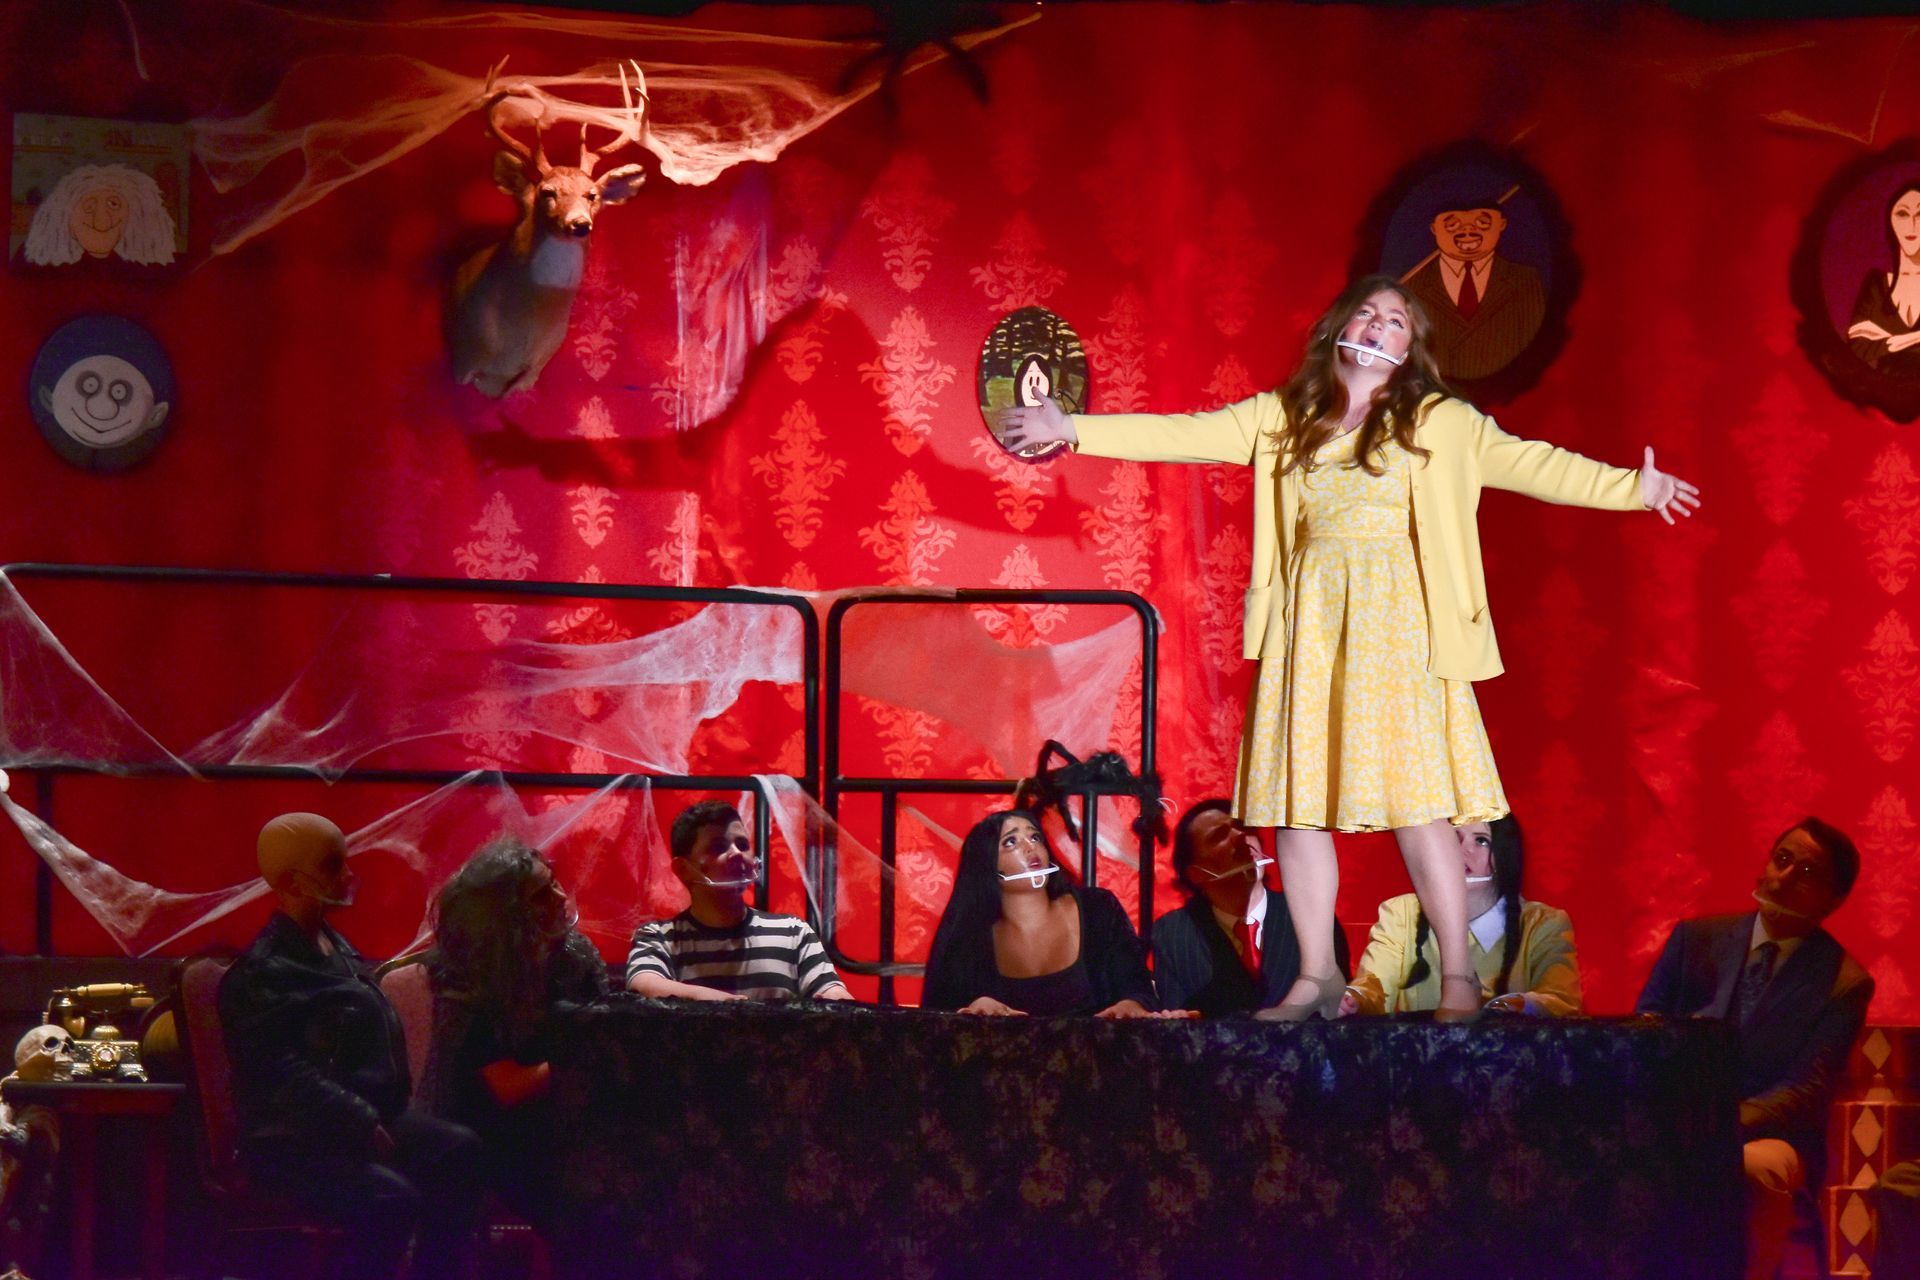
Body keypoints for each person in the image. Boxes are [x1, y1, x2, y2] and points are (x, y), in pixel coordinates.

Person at [1000, 273, 1699, 1022]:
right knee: (1298, 809)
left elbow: (1534, 464)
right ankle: (1318, 975)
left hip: (1402, 632)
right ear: (1337, 331)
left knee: (1420, 802)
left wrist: (1634, 488)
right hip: (1312, 634)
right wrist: (1073, 428)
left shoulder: (1441, 422)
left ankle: (1459, 977)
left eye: (1395, 321)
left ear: (1410, 350)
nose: (1377, 326)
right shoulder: (1283, 418)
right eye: (1365, 314)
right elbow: (1186, 432)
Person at [218, 813, 482, 1280]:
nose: (346, 875)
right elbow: (277, 1073)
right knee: (390, 1201)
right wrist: (355, 1118)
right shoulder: (265, 972)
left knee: (458, 1151)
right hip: (297, 1141)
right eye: (331, 864)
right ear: (292, 881)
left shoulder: (334, 948)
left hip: (361, 1121)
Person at [1634, 817, 1874, 1280]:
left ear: (1834, 900)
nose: (1783, 878)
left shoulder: (1844, 982)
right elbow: (1645, 1035)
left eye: (1806, 874)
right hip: (1675, 1116)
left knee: (1750, 1169)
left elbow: (1805, 1092)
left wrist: (1718, 1122)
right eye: (1781, 860)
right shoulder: (1694, 940)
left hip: (1770, 1136)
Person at [420, 837, 621, 1277]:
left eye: (554, 884)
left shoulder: (573, 956)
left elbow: (600, 1031)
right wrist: (587, 1065)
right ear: (506, 915)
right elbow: (507, 1087)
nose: (561, 898)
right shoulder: (468, 972)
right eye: (539, 895)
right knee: (588, 1199)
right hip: (491, 1133)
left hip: (567, 1117)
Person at [922, 809, 1171, 1017]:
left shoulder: (1098, 909)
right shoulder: (970, 935)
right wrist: (976, 1012)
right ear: (986, 865)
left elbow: (1138, 988)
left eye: (1035, 838)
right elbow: (933, 1022)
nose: (1030, 848)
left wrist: (1130, 1006)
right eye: (1011, 841)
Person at [1339, 814, 1581, 1017]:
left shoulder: (1543, 923)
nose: (1462, 851)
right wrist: (1353, 999)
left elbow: (1561, 1000)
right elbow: (1374, 986)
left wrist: (1517, 1005)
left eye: (1481, 841)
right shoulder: (1400, 913)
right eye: (1453, 838)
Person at [625, 800, 852, 1001]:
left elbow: (831, 991)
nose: (737, 853)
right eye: (718, 847)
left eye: (743, 845)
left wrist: (837, 999)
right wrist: (727, 1005)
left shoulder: (793, 932)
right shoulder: (658, 937)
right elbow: (645, 983)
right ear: (684, 869)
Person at [1151, 799, 1350, 1016]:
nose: (1240, 836)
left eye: (1244, 827)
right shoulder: (1173, 932)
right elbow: (1176, 1018)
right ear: (1196, 874)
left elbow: (1338, 1007)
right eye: (1219, 836)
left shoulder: (1313, 916)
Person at [1399, 197, 1546, 381]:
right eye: (1452, 224)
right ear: (1434, 229)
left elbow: (1536, 348)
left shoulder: (1524, 280)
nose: (1467, 231)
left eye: (1482, 222)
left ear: (1501, 224)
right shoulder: (1412, 284)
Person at [1846, 181, 1920, 375]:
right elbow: (1857, 346)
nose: (1912, 224)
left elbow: (1867, 343)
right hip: (1880, 397)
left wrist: (1896, 340)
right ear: (1891, 221)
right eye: (1903, 214)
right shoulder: (1876, 284)